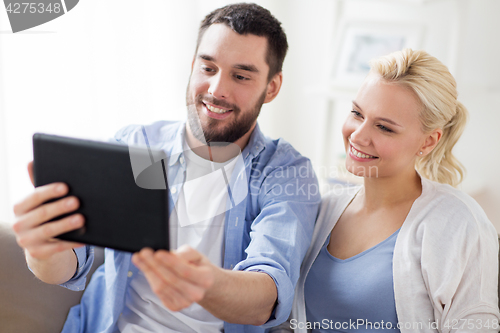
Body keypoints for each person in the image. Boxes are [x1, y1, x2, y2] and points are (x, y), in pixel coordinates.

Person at [12, 3, 321, 333]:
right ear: (192, 66)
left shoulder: (285, 173)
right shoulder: (139, 147)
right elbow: (67, 264)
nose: (217, 90)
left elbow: (268, 296)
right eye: (208, 68)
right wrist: (42, 249)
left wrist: (207, 284)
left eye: (241, 76)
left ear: (271, 87)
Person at [289, 49, 500, 332]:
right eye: (356, 113)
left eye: (384, 128)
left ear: (428, 142)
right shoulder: (324, 209)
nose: (358, 135)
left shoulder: (458, 221)